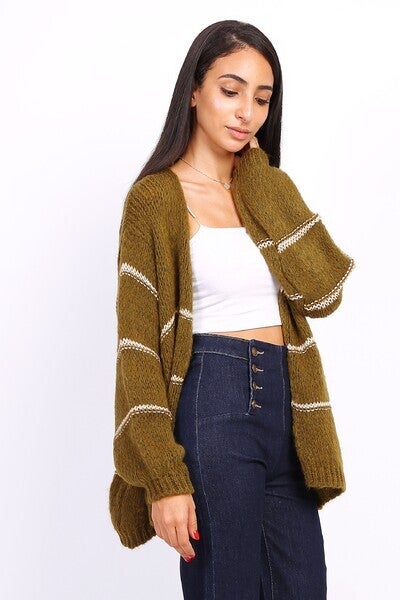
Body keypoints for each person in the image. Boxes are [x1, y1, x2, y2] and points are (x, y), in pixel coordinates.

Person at [108, 19, 355, 599]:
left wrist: (263, 184)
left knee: (304, 588)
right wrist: (165, 478)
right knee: (228, 587)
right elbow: (137, 352)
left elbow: (325, 294)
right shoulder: (155, 200)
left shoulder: (266, 190)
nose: (247, 112)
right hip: (212, 403)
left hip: (288, 410)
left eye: (262, 99)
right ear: (195, 91)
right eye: (230, 90)